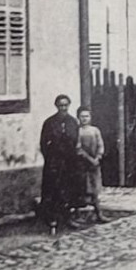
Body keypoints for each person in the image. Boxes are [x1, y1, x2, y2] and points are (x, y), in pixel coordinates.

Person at [37, 94, 80, 231]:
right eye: (61, 105)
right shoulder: (49, 123)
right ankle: (51, 218)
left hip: (69, 162)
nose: (63, 108)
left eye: (66, 105)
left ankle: (67, 217)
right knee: (52, 190)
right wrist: (50, 158)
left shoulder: (73, 122)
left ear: (69, 106)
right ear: (56, 106)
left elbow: (75, 141)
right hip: (54, 162)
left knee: (68, 190)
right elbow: (43, 143)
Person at [74, 106, 106, 223]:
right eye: (82, 116)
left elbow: (100, 144)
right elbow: (78, 148)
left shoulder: (95, 130)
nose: (84, 119)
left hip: (94, 165)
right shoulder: (77, 131)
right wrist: (88, 159)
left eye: (86, 116)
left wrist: (98, 157)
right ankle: (77, 215)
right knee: (80, 189)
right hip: (82, 165)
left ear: (90, 117)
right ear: (78, 117)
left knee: (95, 189)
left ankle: (99, 213)